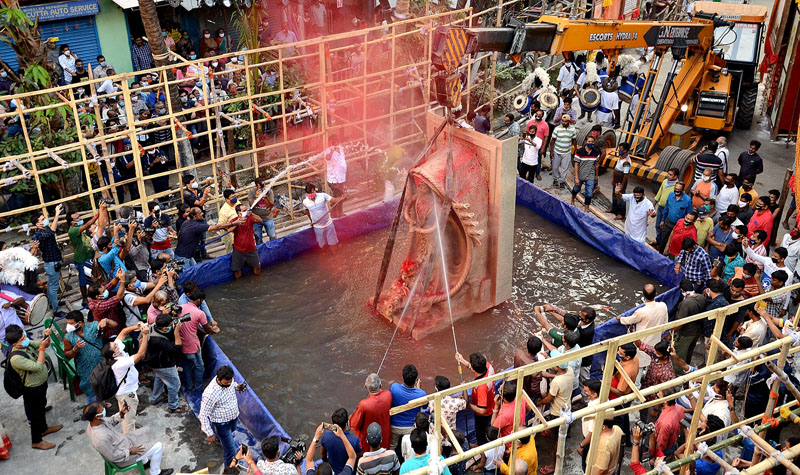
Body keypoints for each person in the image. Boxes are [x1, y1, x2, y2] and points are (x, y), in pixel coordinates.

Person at [6, 325, 62, 450]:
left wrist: (46, 337)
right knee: (35, 415)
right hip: (32, 388)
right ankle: (36, 441)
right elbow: (38, 366)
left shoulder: (25, 343)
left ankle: (44, 429)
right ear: (15, 344)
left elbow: (42, 344)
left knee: (41, 408)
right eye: (22, 338)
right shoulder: (16, 358)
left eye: (24, 336)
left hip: (41, 384)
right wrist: (41, 349)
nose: (25, 339)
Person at [84, 401, 174, 475]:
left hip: (123, 442)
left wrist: (122, 413)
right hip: (123, 457)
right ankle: (155, 473)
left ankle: (144, 462)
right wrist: (130, 451)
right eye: (102, 410)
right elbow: (113, 456)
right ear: (97, 416)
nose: (104, 410)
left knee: (147, 430)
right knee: (158, 446)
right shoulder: (100, 439)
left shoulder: (95, 422)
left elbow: (111, 421)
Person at [102, 323, 150, 434]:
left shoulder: (116, 353)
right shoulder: (120, 363)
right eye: (115, 346)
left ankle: (130, 429)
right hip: (127, 393)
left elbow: (123, 332)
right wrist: (145, 335)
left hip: (124, 391)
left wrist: (137, 326)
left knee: (127, 414)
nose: (117, 344)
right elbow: (141, 354)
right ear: (114, 354)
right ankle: (130, 440)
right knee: (129, 419)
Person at [199, 365, 248, 472]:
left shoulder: (229, 381)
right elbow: (203, 415)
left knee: (232, 430)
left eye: (230, 382)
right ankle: (229, 471)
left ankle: (220, 438)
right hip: (222, 424)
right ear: (218, 379)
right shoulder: (210, 394)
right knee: (230, 451)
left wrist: (237, 387)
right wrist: (209, 433)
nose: (229, 384)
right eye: (226, 383)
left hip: (233, 417)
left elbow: (232, 384)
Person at [62, 311, 105, 403]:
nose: (68, 326)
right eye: (67, 323)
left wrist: (106, 320)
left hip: (101, 365)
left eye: (71, 323)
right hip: (85, 370)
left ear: (80, 323)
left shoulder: (93, 327)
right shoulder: (68, 337)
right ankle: (94, 411)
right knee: (91, 393)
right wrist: (75, 349)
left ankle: (101, 403)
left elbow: (113, 325)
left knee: (102, 385)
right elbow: (67, 355)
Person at [455, 352, 495, 445]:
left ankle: (481, 446)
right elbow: (477, 369)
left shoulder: (482, 387)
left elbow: (482, 411)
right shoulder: (488, 366)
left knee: (480, 432)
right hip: (490, 404)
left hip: (483, 415)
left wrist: (468, 405)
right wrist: (462, 361)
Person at [179, 290, 216, 391]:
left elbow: (193, 324)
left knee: (186, 365)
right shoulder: (200, 313)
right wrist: (214, 331)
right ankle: (198, 387)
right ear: (199, 300)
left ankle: (189, 386)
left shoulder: (181, 307)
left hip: (181, 343)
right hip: (193, 345)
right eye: (202, 301)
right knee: (199, 366)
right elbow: (207, 328)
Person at [31, 204, 64, 314]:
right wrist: (56, 214)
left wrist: (60, 257)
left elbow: (53, 243)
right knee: (54, 287)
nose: (45, 220)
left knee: (51, 285)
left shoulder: (46, 229)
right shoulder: (39, 234)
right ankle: (56, 310)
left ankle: (52, 302)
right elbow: (52, 232)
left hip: (55, 260)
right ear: (37, 224)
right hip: (51, 263)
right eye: (42, 219)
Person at [351, 373, 393, 451]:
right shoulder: (388, 395)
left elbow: (354, 424)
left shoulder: (364, 404)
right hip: (384, 437)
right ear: (380, 385)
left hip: (368, 442)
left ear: (365, 387)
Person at [389, 364, 426, 450]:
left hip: (394, 426)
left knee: (392, 446)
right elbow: (424, 406)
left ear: (403, 377)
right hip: (410, 428)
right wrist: (418, 389)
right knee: (410, 448)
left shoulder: (394, 387)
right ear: (416, 380)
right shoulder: (421, 394)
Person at [322, 408, 363, 474]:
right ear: (347, 423)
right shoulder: (355, 441)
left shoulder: (326, 436)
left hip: (333, 471)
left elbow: (323, 456)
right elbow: (359, 459)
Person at [303, 184, 344, 250]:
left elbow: (334, 200)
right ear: (306, 193)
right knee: (322, 246)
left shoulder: (323, 196)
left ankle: (335, 257)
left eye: (312, 192)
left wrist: (341, 198)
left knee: (333, 244)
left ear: (315, 191)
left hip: (328, 224)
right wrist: (311, 221)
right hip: (317, 227)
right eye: (309, 193)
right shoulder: (305, 202)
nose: (311, 195)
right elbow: (307, 211)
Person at [535, 349, 573, 418]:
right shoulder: (570, 370)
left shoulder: (556, 382)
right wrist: (547, 357)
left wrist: (539, 402)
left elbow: (548, 399)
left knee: (555, 428)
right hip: (567, 406)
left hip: (557, 412)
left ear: (557, 366)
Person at [659, 182, 693, 253]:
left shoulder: (687, 200)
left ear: (683, 190)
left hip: (679, 226)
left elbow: (689, 214)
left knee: (674, 244)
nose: (676, 191)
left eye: (679, 190)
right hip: (668, 222)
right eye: (675, 189)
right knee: (663, 240)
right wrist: (662, 220)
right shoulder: (671, 195)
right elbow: (666, 209)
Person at [570, 135, 600, 212]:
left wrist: (596, 177)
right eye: (589, 141)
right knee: (576, 189)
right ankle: (573, 199)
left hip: (590, 176)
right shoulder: (579, 152)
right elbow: (576, 165)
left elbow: (596, 165)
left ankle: (586, 208)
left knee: (589, 193)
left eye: (592, 142)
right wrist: (576, 177)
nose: (591, 143)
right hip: (580, 175)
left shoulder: (596, 152)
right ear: (586, 142)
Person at [651, 385, 682, 457]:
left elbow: (661, 446)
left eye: (659, 396)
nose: (657, 397)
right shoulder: (679, 408)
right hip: (673, 443)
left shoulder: (664, 423)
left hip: (664, 451)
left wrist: (654, 457)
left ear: (665, 401)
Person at [549, 114, 577, 189]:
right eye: (562, 121)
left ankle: (562, 181)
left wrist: (576, 150)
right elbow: (552, 141)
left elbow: (574, 140)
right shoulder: (557, 129)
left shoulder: (572, 129)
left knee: (565, 168)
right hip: (557, 151)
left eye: (565, 121)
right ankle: (555, 180)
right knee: (555, 167)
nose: (563, 123)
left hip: (567, 151)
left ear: (569, 121)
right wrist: (551, 152)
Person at [249, 176, 278, 244]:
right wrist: (256, 197)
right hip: (256, 218)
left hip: (268, 217)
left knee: (272, 235)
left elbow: (271, 206)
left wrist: (265, 198)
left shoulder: (268, 191)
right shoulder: (252, 192)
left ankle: (274, 249)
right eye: (259, 187)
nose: (262, 189)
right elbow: (251, 206)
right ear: (256, 186)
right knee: (258, 238)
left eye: (263, 186)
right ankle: (261, 252)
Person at [610, 142, 633, 220]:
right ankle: (614, 209)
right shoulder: (620, 157)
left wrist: (622, 185)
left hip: (620, 181)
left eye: (621, 149)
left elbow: (626, 175)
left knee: (620, 197)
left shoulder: (626, 162)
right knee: (614, 195)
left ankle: (621, 214)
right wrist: (613, 180)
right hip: (616, 180)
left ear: (625, 150)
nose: (619, 150)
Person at [326, 144, 348, 218]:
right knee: (338, 195)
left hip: (341, 177)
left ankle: (335, 213)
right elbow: (328, 158)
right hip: (333, 179)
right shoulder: (328, 151)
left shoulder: (341, 149)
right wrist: (332, 150)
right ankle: (338, 213)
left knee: (337, 195)